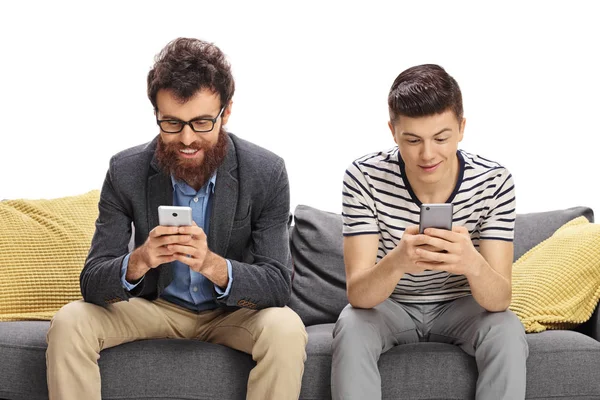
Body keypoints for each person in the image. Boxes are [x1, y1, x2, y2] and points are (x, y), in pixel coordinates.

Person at [46, 37, 307, 400]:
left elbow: (278, 286)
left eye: (201, 122)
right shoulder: (125, 171)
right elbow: (92, 282)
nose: (186, 139)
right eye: (171, 123)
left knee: (286, 328)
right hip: (155, 307)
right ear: (156, 114)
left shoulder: (266, 172)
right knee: (71, 321)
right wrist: (139, 260)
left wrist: (213, 265)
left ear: (226, 112)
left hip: (230, 315)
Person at [331, 64, 528, 399]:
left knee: (506, 329)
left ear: (462, 128)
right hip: (389, 307)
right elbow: (359, 296)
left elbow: (500, 301)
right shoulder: (363, 177)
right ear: (393, 132)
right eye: (412, 140)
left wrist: (472, 263)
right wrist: (397, 262)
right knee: (351, 324)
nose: (427, 154)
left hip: (461, 306)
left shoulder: (494, 181)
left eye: (441, 138)